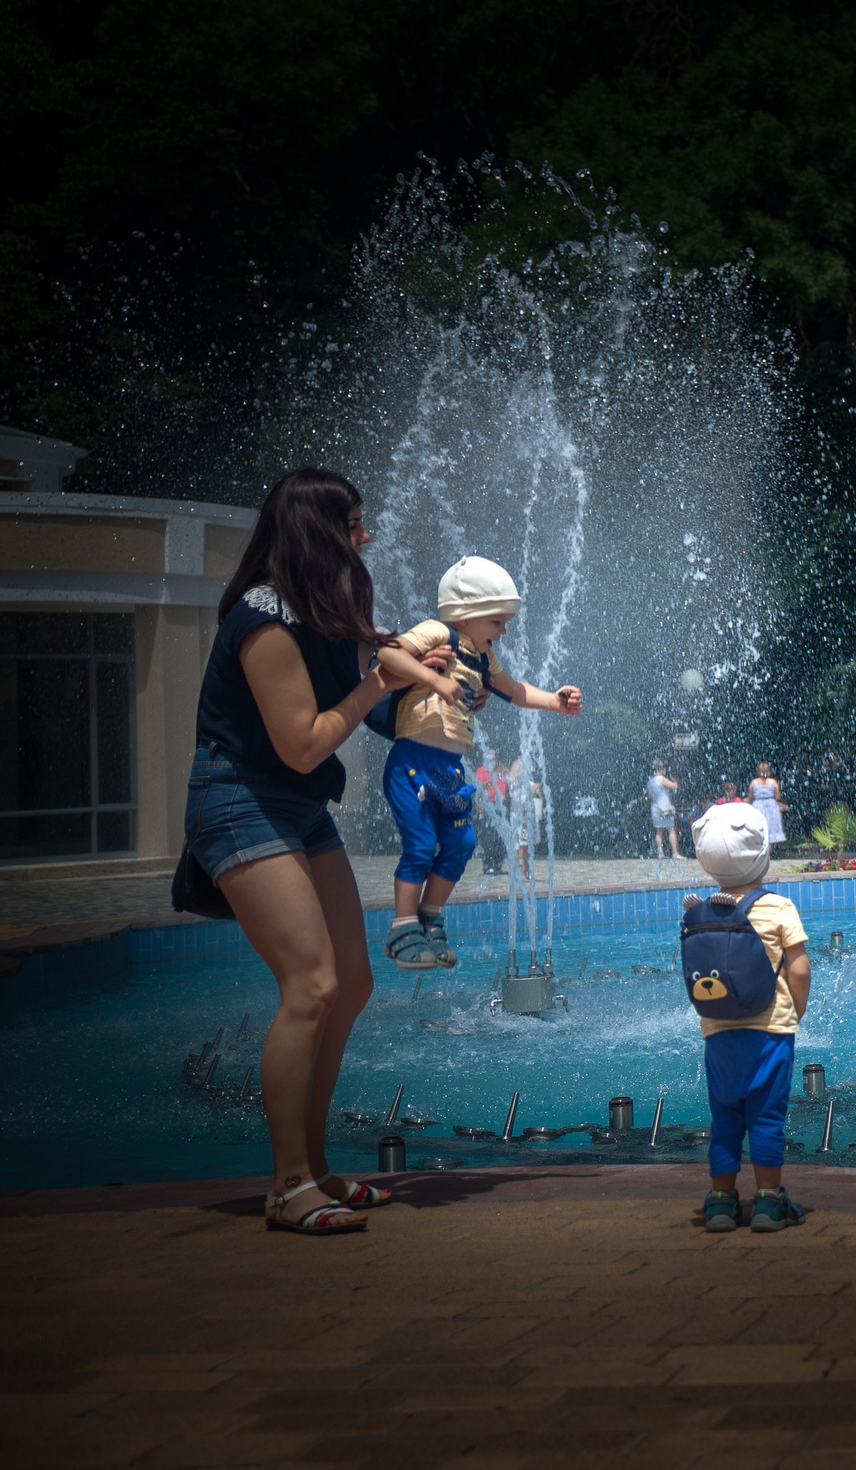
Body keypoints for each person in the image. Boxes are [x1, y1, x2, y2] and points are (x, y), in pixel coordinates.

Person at [184, 467, 450, 1234]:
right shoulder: (263, 617)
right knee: (311, 983)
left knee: (354, 981)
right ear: (321, 531)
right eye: (356, 523)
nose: (366, 536)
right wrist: (376, 681)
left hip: (295, 806)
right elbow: (302, 744)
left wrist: (422, 691)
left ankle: (318, 1167)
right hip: (239, 800)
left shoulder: (328, 606)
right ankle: (287, 1183)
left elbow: (363, 714)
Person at [377, 558, 582, 970]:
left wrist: (555, 703)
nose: (503, 631)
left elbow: (515, 691)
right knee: (419, 844)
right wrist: (434, 680)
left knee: (460, 845)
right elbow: (388, 654)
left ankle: (430, 918)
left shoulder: (484, 659)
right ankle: (402, 928)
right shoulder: (439, 632)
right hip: (412, 761)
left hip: (450, 768)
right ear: (467, 613)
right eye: (498, 621)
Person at [687, 801, 811, 1234]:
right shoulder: (778, 908)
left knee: (724, 1120)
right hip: (770, 1034)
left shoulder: (700, 912)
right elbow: (799, 967)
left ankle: (720, 1203)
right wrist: (797, 1008)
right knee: (766, 1119)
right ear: (762, 854)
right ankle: (767, 1201)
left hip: (718, 1036)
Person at [647, 761, 683, 860]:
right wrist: (675, 781)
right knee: (671, 829)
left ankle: (660, 853)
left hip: (655, 808)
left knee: (658, 831)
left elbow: (649, 796)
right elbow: (674, 786)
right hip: (665, 807)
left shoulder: (650, 781)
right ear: (662, 770)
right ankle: (675, 853)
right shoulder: (662, 779)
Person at [749, 761, 787, 848]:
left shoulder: (754, 782)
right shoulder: (773, 782)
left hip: (757, 806)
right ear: (769, 771)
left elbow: (750, 797)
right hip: (771, 806)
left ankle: (760, 849)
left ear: (758, 771)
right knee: (771, 827)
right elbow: (777, 796)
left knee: (759, 826)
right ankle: (770, 850)